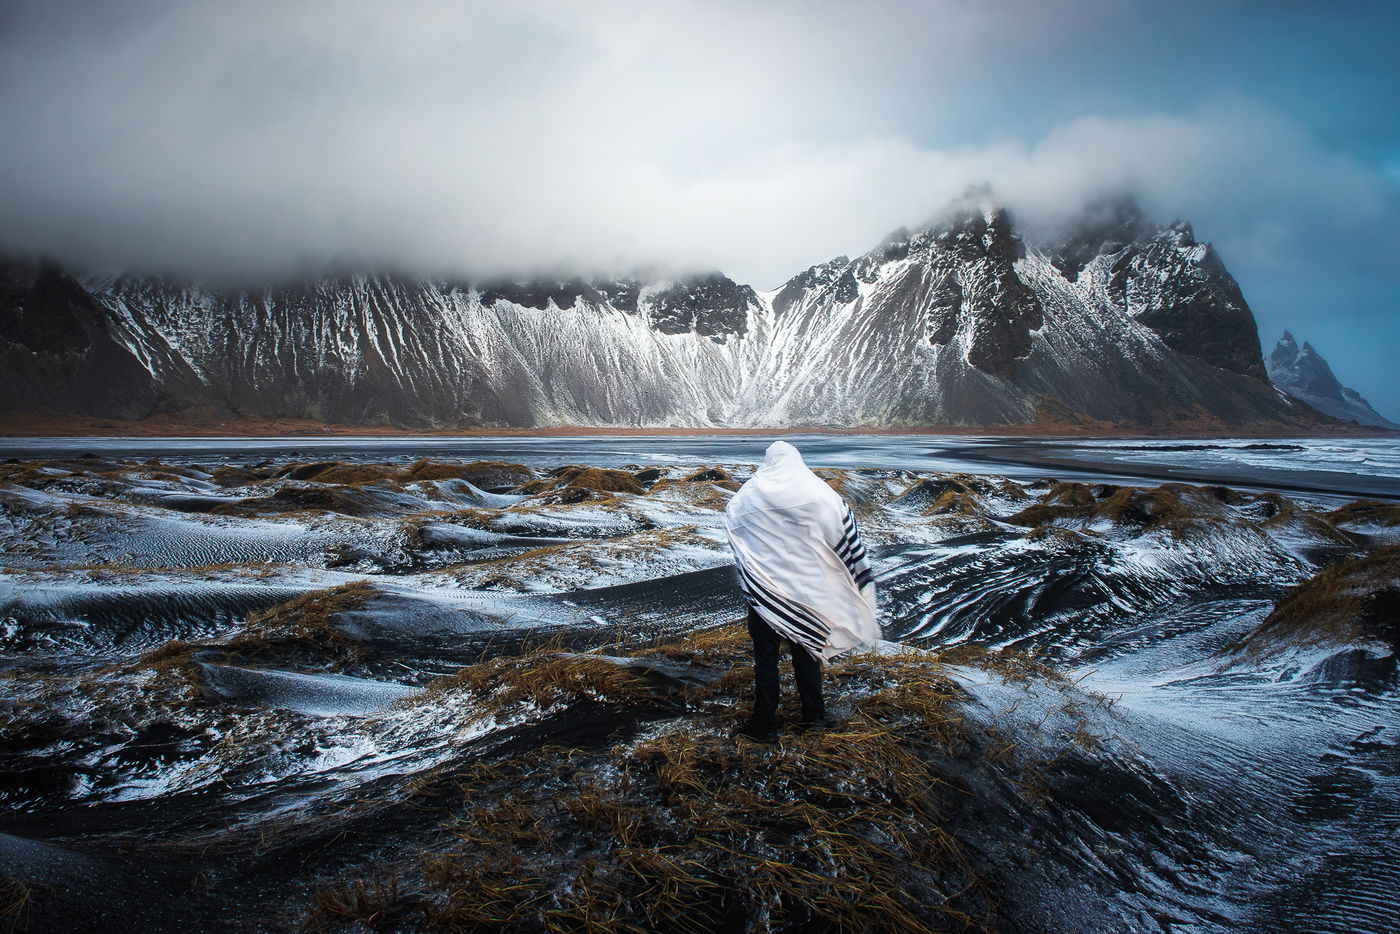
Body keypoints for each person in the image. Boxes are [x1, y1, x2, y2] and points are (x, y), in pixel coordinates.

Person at [723, 441, 879, 742]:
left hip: (766, 594)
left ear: (769, 460)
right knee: (808, 652)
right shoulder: (817, 492)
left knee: (765, 660)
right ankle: (814, 719)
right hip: (809, 594)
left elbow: (733, 519)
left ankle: (765, 726)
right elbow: (842, 525)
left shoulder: (751, 493)